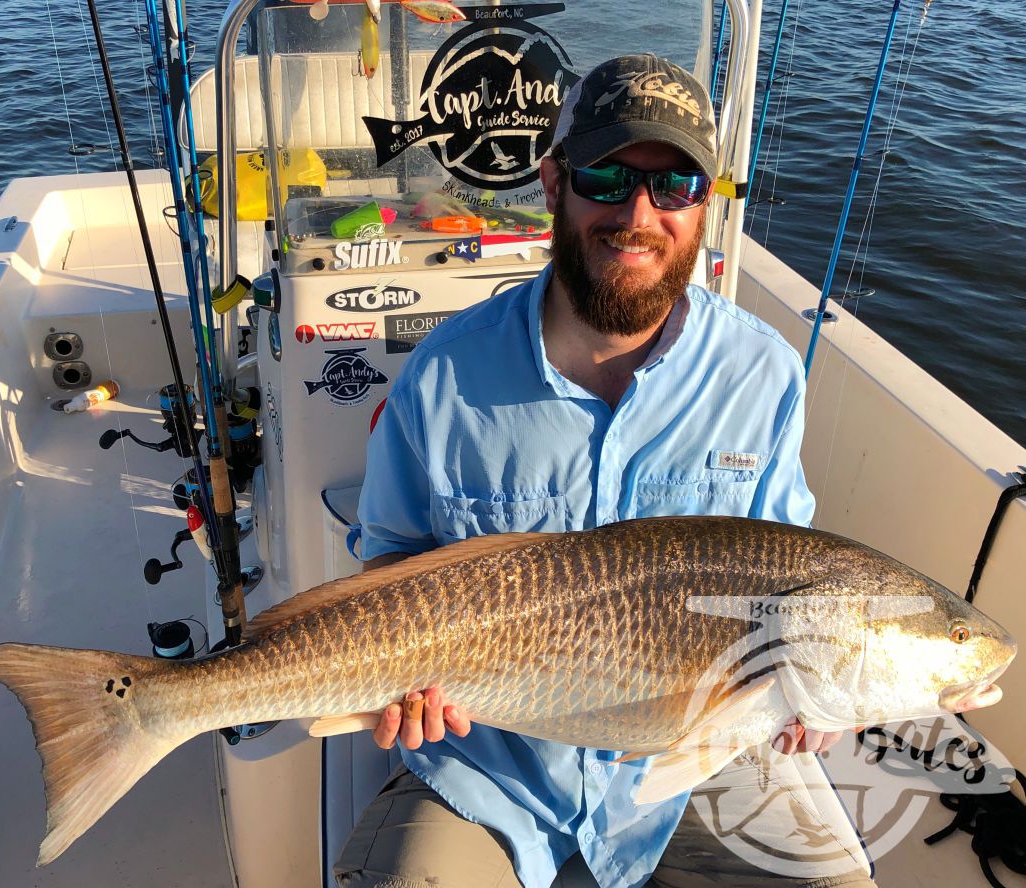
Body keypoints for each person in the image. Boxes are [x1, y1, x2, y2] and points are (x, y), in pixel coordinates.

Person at [336, 54, 876, 888]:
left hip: (693, 770)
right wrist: (405, 684)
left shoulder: (762, 377)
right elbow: (393, 564)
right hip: (490, 769)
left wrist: (815, 697)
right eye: (605, 176)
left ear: (704, 204)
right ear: (553, 184)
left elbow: (785, 587)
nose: (638, 213)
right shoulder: (444, 375)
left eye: (675, 188)